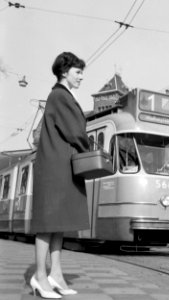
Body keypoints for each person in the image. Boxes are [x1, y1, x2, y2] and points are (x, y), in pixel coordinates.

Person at [30, 52, 90, 299]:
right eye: (78, 72)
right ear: (64, 72)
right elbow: (76, 131)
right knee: (48, 223)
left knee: (58, 223)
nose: (81, 77)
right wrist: (91, 149)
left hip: (60, 165)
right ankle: (39, 276)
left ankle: (55, 273)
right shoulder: (60, 95)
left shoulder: (60, 95)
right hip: (56, 167)